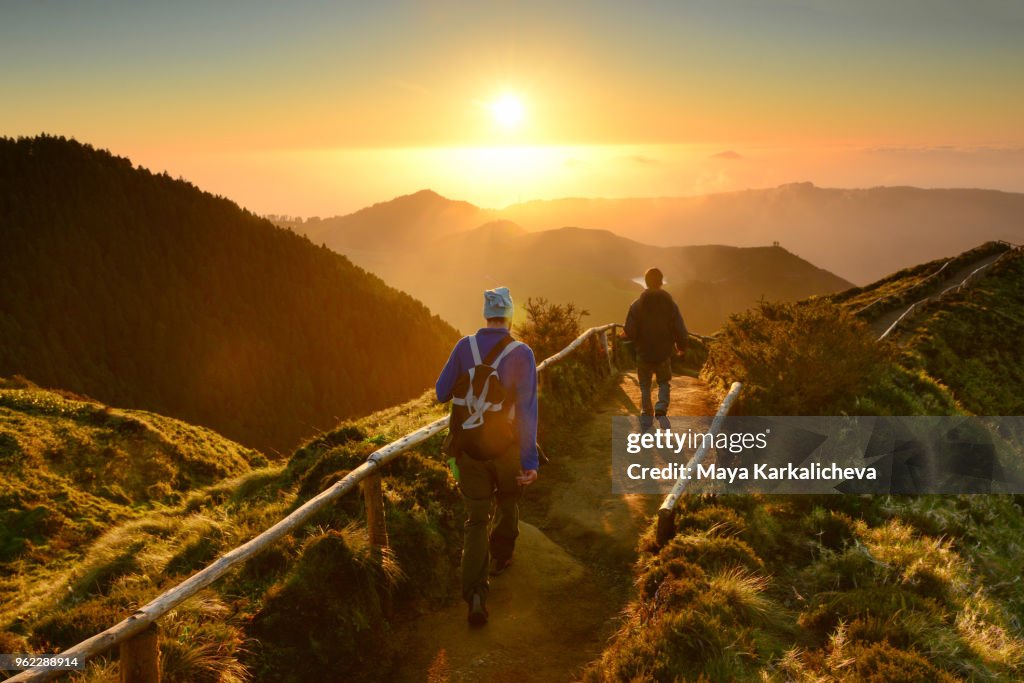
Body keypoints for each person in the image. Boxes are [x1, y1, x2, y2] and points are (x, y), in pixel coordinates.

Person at [435, 286, 539, 627]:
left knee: (475, 520)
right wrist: (529, 461)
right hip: (506, 449)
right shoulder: (521, 353)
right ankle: (503, 555)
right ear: (509, 316)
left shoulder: (464, 346)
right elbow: (526, 411)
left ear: (485, 314)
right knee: (509, 501)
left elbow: (440, 392)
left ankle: (476, 594)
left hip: (470, 451)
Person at [624, 268, 689, 429]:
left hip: (643, 352)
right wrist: (681, 346)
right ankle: (661, 408)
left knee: (645, 384)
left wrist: (626, 337)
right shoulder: (670, 304)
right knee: (664, 382)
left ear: (646, 282)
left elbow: (630, 332)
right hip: (664, 352)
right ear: (661, 282)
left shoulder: (636, 305)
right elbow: (680, 328)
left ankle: (646, 413)